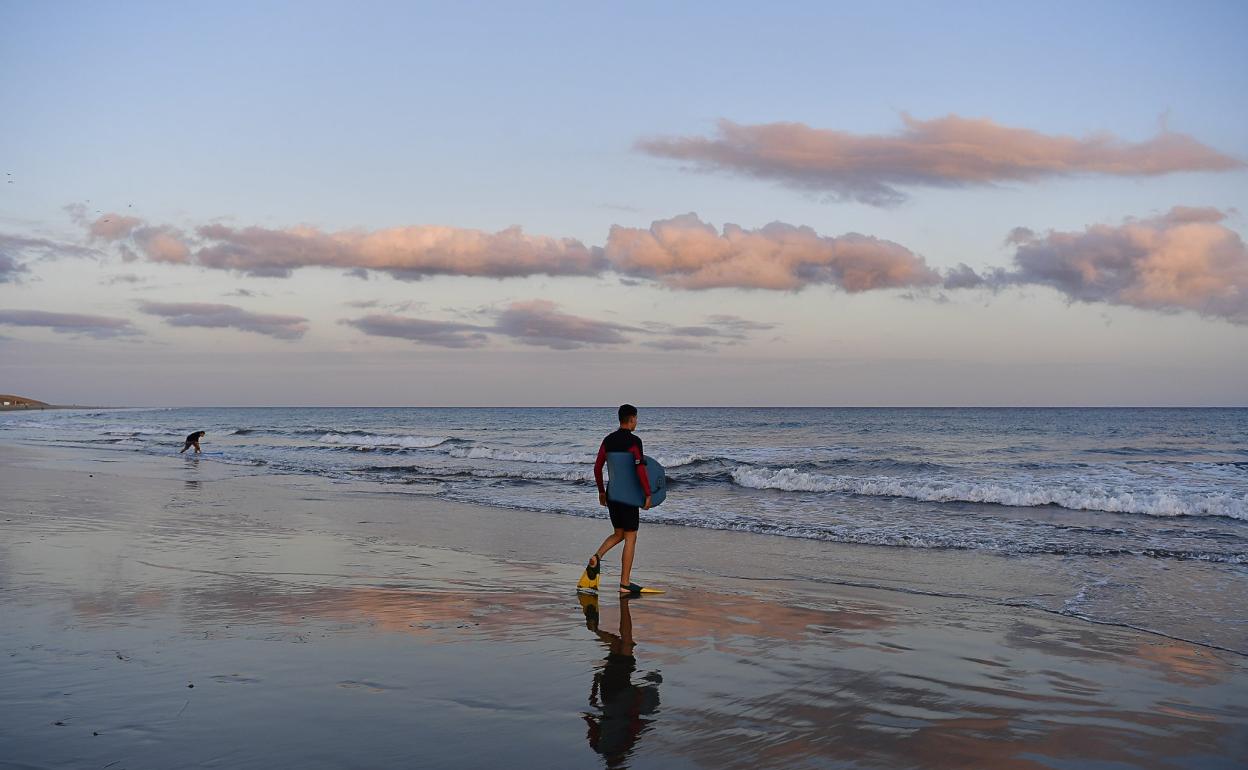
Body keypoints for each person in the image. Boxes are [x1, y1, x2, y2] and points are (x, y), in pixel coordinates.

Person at [587, 404, 652, 595]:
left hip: (613, 495)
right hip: (628, 497)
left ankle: (597, 557)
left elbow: (597, 468)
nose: (636, 422)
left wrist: (601, 492)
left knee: (619, 533)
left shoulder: (608, 440)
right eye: (636, 419)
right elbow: (640, 468)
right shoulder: (635, 441)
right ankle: (625, 583)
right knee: (631, 537)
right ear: (631, 419)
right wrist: (648, 493)